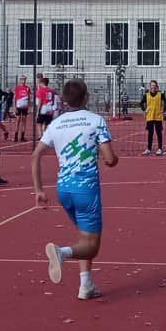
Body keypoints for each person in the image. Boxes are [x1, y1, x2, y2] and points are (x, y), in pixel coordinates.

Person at [32, 77, 118, 301]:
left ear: (64, 99)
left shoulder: (56, 123)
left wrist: (39, 190)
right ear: (86, 97)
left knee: (84, 236)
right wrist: (111, 158)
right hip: (86, 190)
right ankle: (62, 253)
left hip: (63, 190)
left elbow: (36, 155)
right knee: (91, 247)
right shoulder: (95, 120)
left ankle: (86, 285)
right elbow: (110, 159)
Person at [140, 80, 166, 155]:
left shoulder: (160, 95)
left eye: (154, 85)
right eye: (152, 85)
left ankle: (160, 149)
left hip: (158, 117)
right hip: (150, 117)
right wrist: (144, 110)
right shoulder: (146, 95)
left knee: (159, 133)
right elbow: (141, 103)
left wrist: (164, 110)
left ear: (156, 86)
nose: (153, 87)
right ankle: (149, 149)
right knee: (150, 133)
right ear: (150, 86)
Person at [13, 75, 32, 141]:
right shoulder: (17, 88)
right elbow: (14, 98)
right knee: (18, 120)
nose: (23, 81)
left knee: (24, 121)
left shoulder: (27, 88)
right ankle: (16, 136)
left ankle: (22, 136)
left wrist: (29, 107)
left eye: (24, 79)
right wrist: (14, 107)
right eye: (22, 79)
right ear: (20, 80)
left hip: (25, 107)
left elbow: (29, 98)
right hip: (19, 106)